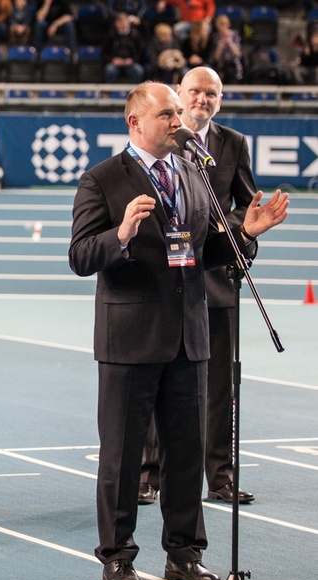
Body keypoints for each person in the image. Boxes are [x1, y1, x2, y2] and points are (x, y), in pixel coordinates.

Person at [68, 81, 289, 580]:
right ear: (135, 122)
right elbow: (80, 256)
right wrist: (120, 234)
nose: (178, 121)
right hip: (130, 339)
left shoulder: (192, 173)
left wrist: (246, 233)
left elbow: (205, 249)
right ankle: (118, 556)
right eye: (167, 114)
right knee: (123, 457)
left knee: (187, 454)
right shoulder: (102, 179)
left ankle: (185, 555)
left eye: (177, 113)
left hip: (190, 337)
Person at [139, 66, 259, 507]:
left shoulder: (234, 143)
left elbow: (246, 204)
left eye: (211, 93)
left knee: (220, 387)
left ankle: (220, 476)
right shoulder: (160, 139)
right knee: (157, 377)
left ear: (219, 100)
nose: (202, 99)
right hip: (167, 281)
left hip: (217, 280)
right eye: (195, 91)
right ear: (180, 94)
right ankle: (148, 475)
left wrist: (226, 231)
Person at [103, 12, 147, 84]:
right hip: (115, 64)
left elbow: (141, 51)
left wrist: (132, 60)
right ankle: (111, 90)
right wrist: (112, 59)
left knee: (138, 70)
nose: (122, 24)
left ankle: (135, 90)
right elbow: (105, 52)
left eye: (124, 22)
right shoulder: (110, 35)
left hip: (131, 63)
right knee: (110, 70)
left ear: (128, 22)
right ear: (116, 23)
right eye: (120, 22)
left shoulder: (135, 35)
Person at [208, 14, 243, 84]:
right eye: (220, 25)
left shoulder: (235, 35)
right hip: (221, 65)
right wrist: (221, 44)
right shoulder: (215, 37)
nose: (222, 27)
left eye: (224, 24)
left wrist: (229, 42)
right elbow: (216, 58)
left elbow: (238, 54)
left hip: (234, 65)